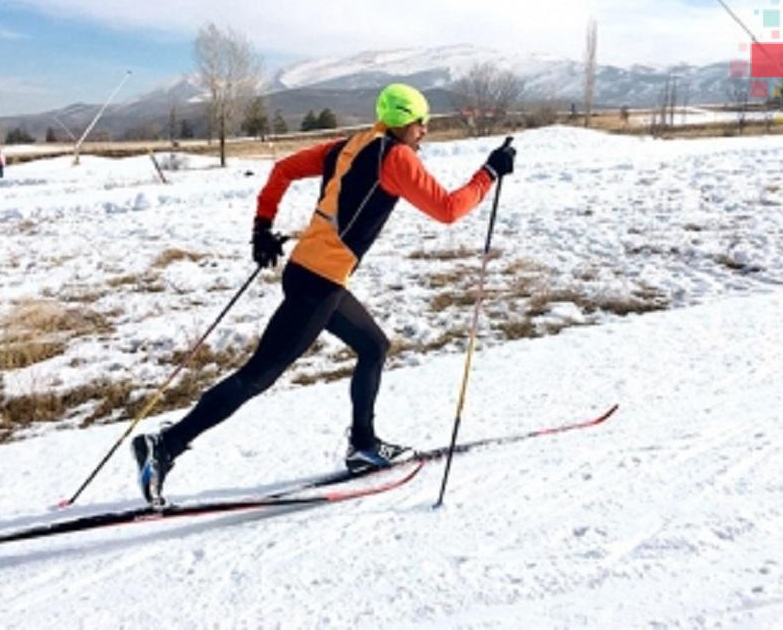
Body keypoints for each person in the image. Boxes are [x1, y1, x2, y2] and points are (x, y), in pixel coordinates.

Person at [131, 83, 516, 504]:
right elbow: (447, 209)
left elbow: (282, 170)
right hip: (318, 284)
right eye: (421, 123)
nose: (424, 131)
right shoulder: (396, 156)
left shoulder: (349, 144)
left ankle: (364, 447)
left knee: (373, 346)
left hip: (310, 274)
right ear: (405, 122)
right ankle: (165, 445)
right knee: (257, 376)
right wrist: (489, 173)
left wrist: (262, 228)